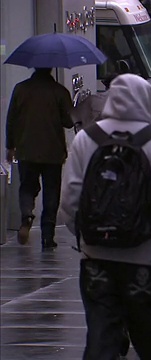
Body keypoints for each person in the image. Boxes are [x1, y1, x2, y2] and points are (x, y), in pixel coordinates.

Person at [60, 74, 151, 359]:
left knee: (102, 333)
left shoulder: (86, 139)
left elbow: (70, 201)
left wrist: (86, 237)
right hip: (145, 257)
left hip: (96, 258)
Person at [5, 67, 74, 249]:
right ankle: (48, 236)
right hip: (53, 151)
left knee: (27, 186)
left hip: (26, 149)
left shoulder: (20, 89)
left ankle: (27, 215)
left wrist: (10, 146)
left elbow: (11, 119)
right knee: (52, 191)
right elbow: (69, 121)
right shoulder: (59, 91)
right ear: (51, 70)